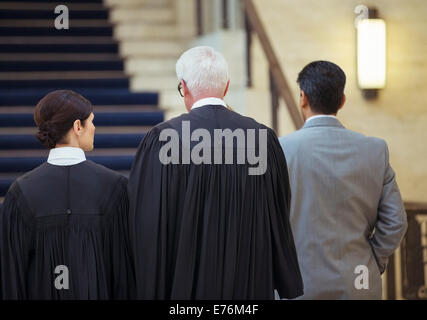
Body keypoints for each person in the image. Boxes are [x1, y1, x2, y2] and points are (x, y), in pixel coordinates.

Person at [128, 46, 303, 299]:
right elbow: (278, 212)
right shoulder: (262, 140)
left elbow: (145, 221)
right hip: (248, 287)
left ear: (184, 88)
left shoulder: (162, 139)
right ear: (226, 86)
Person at [279, 61, 408, 299]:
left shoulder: (280, 151)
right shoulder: (375, 150)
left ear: (303, 98)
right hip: (357, 284)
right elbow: (395, 222)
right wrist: (370, 262)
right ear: (342, 101)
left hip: (296, 286)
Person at [0, 90, 135, 299]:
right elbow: (125, 274)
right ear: (77, 126)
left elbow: (11, 276)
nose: (95, 127)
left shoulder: (21, 193)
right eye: (91, 121)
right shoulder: (115, 188)